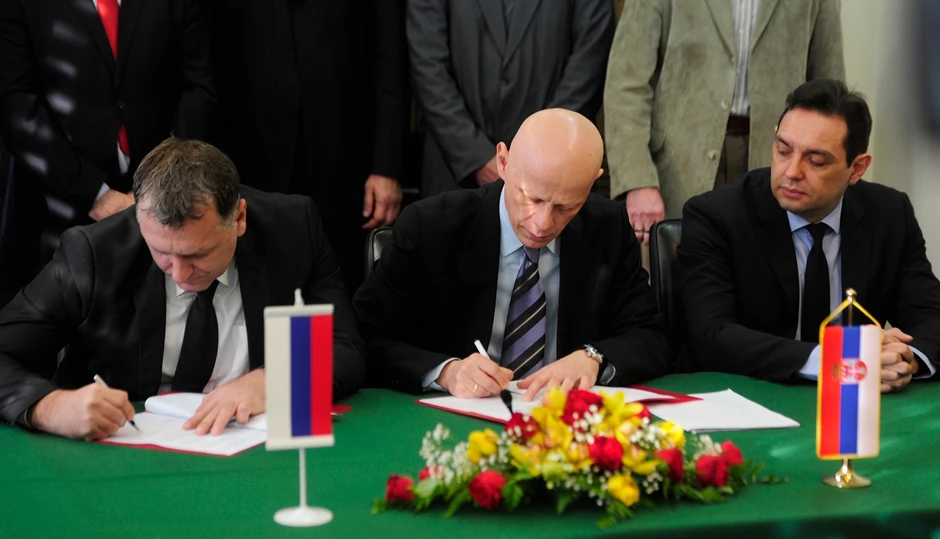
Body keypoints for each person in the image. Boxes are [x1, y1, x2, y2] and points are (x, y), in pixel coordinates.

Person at [0, 138, 364, 440]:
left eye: (197, 254)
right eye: (160, 252)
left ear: (238, 218)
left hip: (254, 446)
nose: (179, 274)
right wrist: (50, 408)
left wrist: (274, 381)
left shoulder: (292, 229)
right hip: (126, 451)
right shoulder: (93, 253)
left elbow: (344, 346)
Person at [354, 109, 668, 402]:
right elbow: (366, 335)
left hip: (562, 417)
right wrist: (446, 372)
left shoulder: (608, 226)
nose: (542, 224)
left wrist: (592, 358)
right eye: (531, 198)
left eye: (566, 207)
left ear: (592, 182)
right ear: (503, 162)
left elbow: (650, 336)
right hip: (456, 416)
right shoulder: (432, 227)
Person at [679, 79, 940, 392]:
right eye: (783, 151)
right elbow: (712, 336)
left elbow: (930, 315)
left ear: (857, 168)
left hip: (853, 403)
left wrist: (908, 358)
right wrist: (835, 360)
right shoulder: (717, 216)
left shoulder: (889, 214)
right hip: (754, 396)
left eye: (816, 160)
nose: (791, 171)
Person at [0, 0, 217, 306]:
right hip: (57, 214)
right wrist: (96, 195)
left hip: (169, 210)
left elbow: (199, 87)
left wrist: (161, 185)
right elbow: (17, 106)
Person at [210, 0, 410, 294]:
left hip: (346, 165)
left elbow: (391, 60)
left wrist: (387, 166)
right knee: (261, 299)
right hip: (250, 167)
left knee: (341, 300)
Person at [604, 0, 844, 244]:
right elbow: (626, 83)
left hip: (777, 161)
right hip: (678, 166)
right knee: (686, 262)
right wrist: (637, 180)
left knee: (769, 263)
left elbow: (829, 91)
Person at [408, 0, 613, 196]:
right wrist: (476, 156)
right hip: (455, 171)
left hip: (556, 177)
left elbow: (589, 65)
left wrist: (539, 155)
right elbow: (428, 65)